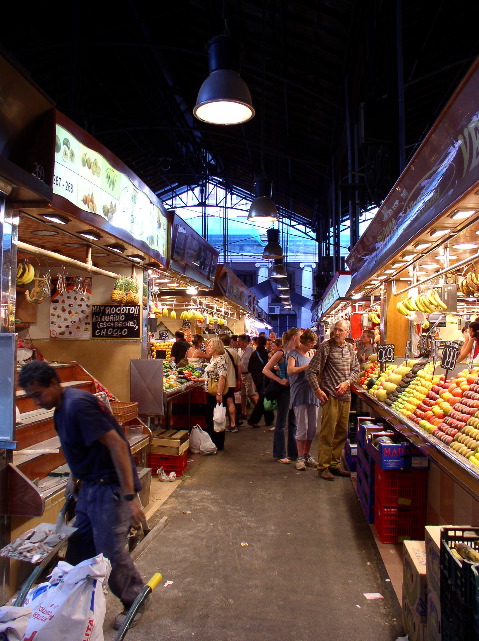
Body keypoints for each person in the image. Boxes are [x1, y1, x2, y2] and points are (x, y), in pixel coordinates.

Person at [18, 360, 149, 631]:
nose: (36, 401)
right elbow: (82, 447)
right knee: (78, 549)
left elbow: (117, 446)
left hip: (109, 489)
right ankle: (72, 602)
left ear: (54, 384)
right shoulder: (61, 408)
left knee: (109, 552)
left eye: (38, 394)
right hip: (89, 488)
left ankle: (135, 598)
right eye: (31, 397)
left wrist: (129, 497)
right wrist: (74, 478)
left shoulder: (77, 405)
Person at [306, 319, 360, 481]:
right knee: (328, 433)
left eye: (340, 330)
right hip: (330, 397)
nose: (336, 333)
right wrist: (317, 390)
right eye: (335, 329)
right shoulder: (325, 347)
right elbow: (311, 371)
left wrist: (348, 382)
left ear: (347, 333)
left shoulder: (350, 348)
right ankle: (323, 467)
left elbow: (356, 370)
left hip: (346, 397)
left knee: (341, 432)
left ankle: (335, 464)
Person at [263, 328, 301, 463]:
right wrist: (279, 380)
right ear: (294, 338)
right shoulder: (281, 353)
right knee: (282, 422)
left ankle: (293, 453)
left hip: (295, 390)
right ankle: (280, 454)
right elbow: (266, 370)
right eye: (300, 337)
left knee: (293, 422)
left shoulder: (296, 353)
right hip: (285, 391)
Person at [287, 329, 320, 470]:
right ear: (304, 342)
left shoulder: (311, 353)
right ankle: (300, 456)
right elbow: (290, 371)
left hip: (312, 393)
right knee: (302, 426)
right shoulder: (293, 354)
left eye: (313, 345)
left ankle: (307, 454)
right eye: (310, 344)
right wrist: (308, 366)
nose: (311, 347)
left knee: (312, 427)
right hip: (299, 393)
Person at [203, 338, 228, 451]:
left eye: (210, 346)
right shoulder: (213, 359)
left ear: (216, 347)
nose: (207, 348)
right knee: (210, 417)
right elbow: (209, 377)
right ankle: (213, 441)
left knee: (217, 418)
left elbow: (222, 377)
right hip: (210, 391)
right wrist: (198, 379)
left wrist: (219, 393)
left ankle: (218, 443)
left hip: (215, 393)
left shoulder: (221, 360)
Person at [247, 335, 275, 429]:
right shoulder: (267, 354)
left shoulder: (254, 354)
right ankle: (253, 420)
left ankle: (269, 419)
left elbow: (249, 368)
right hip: (266, 379)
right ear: (265, 343)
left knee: (266, 397)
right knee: (263, 399)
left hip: (257, 380)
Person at [220, 334, 242, 433]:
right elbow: (239, 367)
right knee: (230, 402)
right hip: (231, 381)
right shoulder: (234, 352)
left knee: (220, 403)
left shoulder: (219, 352)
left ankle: (221, 424)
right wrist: (238, 379)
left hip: (221, 382)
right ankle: (233, 423)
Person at [237, 334, 259, 419]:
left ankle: (259, 409)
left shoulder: (251, 350)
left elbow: (255, 362)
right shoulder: (239, 350)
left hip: (249, 374)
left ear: (245, 341)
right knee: (242, 394)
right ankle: (243, 412)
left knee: (250, 393)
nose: (238, 343)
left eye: (240, 341)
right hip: (241, 374)